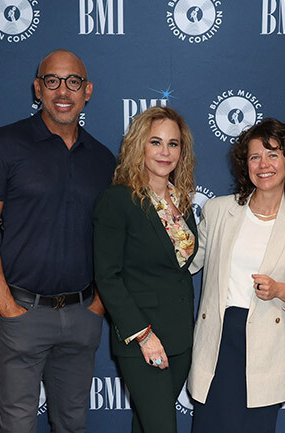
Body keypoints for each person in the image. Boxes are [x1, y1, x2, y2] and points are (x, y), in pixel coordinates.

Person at [0, 50, 115, 433]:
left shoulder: (103, 159)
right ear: (38, 88)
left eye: (73, 82)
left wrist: (98, 304)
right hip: (22, 313)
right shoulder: (4, 145)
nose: (62, 90)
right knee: (17, 425)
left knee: (73, 424)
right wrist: (4, 304)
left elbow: (114, 240)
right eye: (52, 81)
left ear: (88, 91)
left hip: (83, 314)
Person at [187, 118, 285, 433]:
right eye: (254, 157)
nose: (263, 164)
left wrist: (280, 289)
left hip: (266, 347)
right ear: (245, 164)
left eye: (273, 154)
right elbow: (188, 263)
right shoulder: (218, 210)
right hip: (219, 341)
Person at [93, 106, 197, 433]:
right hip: (143, 339)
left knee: (147, 426)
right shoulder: (118, 200)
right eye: (156, 142)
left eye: (173, 144)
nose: (165, 152)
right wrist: (143, 335)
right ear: (139, 146)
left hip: (180, 337)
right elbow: (108, 277)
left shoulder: (181, 200)